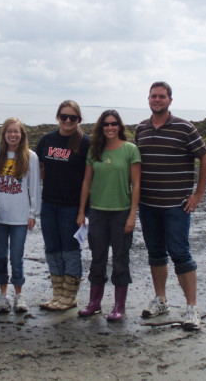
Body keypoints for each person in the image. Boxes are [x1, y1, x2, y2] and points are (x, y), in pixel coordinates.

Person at [135, 81, 206, 330]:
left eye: (162, 96)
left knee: (180, 254)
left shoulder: (184, 128)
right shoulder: (141, 129)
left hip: (176, 207)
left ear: (170, 100)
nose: (157, 100)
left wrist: (198, 194)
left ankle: (192, 308)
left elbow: (205, 158)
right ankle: (161, 300)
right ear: (148, 99)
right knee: (155, 253)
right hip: (148, 204)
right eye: (153, 96)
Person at [76, 110, 141, 321]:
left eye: (114, 124)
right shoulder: (95, 151)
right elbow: (86, 182)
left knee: (121, 260)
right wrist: (81, 212)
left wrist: (133, 214)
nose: (110, 127)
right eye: (106, 124)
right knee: (97, 259)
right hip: (97, 213)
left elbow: (136, 184)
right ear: (101, 127)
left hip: (121, 213)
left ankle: (119, 306)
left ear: (119, 126)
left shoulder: (131, 150)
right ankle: (94, 303)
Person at [35, 100, 90, 311]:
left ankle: (70, 295)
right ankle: (57, 293)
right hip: (49, 204)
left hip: (72, 207)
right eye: (64, 116)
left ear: (78, 120)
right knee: (52, 249)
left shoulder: (85, 143)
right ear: (58, 117)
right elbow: (40, 166)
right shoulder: (47, 140)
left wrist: (83, 211)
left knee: (70, 250)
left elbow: (89, 179)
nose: (68, 121)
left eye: (72, 118)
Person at [0, 118, 41, 313]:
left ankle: (18, 295)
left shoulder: (31, 157)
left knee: (17, 257)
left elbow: (35, 188)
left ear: (22, 135)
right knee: (1, 255)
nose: (13, 135)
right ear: (4, 135)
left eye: (16, 132)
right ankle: (3, 296)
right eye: (9, 132)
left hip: (20, 217)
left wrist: (33, 213)